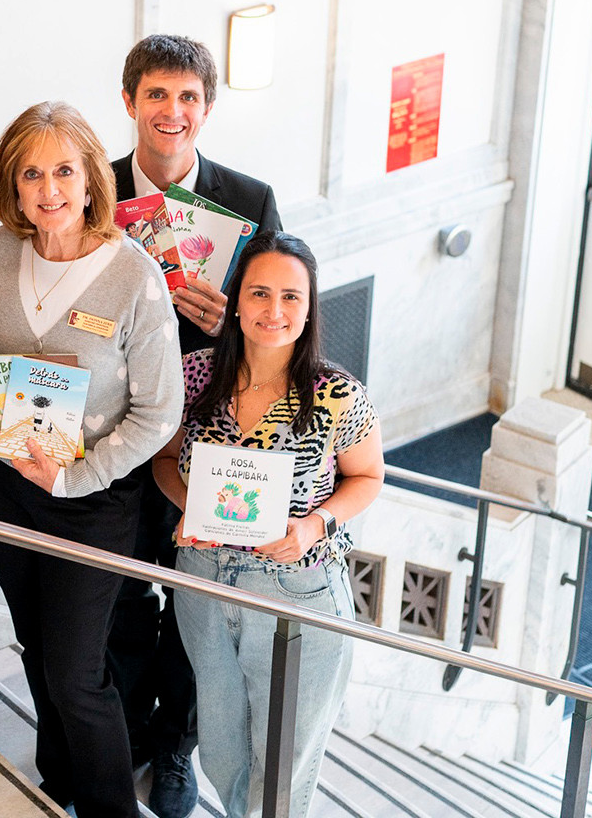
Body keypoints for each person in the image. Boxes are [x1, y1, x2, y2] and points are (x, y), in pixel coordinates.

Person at [0, 102, 182, 818]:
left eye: (65, 170)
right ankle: (60, 776)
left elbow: (159, 413)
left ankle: (110, 808)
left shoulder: (134, 277)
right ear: (12, 188)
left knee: (78, 673)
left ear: (89, 180)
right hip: (8, 484)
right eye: (32, 173)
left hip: (94, 501)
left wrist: (76, 476)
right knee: (35, 645)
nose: (50, 189)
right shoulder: (3, 256)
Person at [105, 34, 283, 818]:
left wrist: (231, 327)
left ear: (207, 108)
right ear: (130, 101)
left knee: (194, 600)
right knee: (115, 593)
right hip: (109, 431)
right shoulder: (89, 187)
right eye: (157, 96)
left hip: (208, 444)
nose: (172, 113)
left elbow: (282, 317)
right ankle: (126, 728)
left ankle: (174, 744)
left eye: (187, 99)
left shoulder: (251, 199)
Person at [152, 231, 384, 818]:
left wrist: (314, 526)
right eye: (259, 293)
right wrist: (188, 508)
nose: (274, 311)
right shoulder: (196, 374)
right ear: (236, 300)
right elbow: (161, 459)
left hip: (296, 588)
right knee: (224, 752)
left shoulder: (337, 395)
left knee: (281, 763)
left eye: (290, 297)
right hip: (203, 579)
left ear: (308, 310)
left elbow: (368, 478)